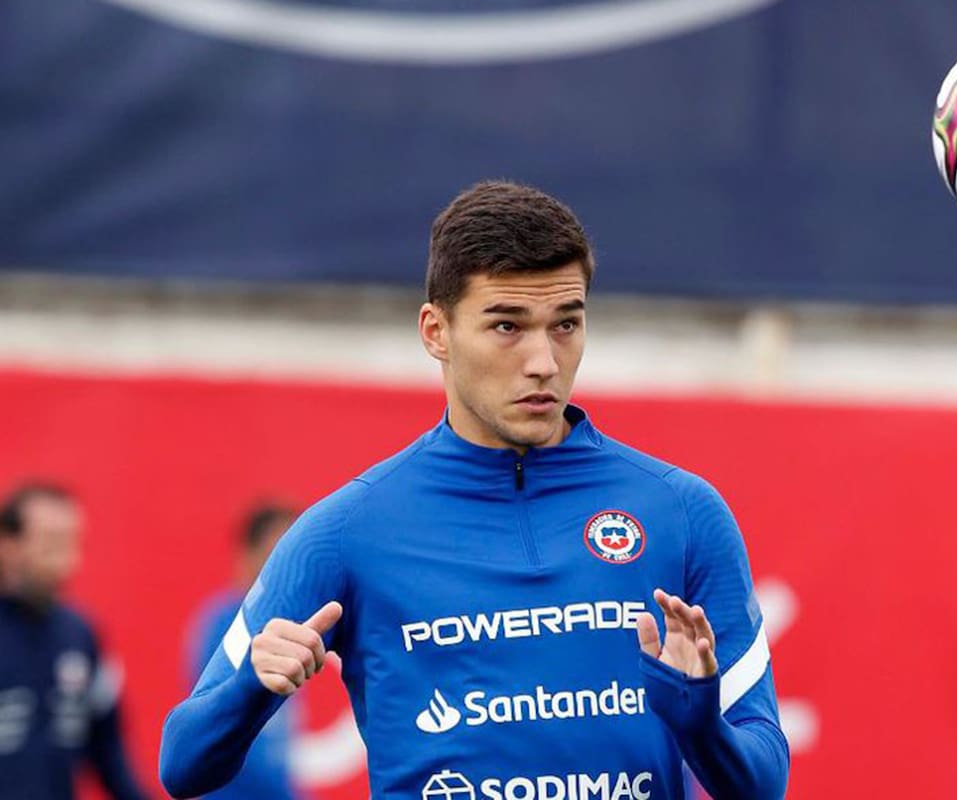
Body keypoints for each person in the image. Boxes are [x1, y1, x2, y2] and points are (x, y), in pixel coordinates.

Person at [160, 181, 789, 800]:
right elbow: (182, 765)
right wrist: (250, 691)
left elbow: (764, 782)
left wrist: (699, 723)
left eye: (565, 324)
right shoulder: (344, 532)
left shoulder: (682, 512)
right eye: (508, 326)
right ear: (436, 331)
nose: (544, 360)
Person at [0, 482, 151, 800]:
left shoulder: (79, 635)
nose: (66, 560)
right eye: (50, 543)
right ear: (8, 545)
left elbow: (109, 752)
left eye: (71, 543)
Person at [183, 503, 305, 800]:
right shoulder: (229, 627)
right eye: (276, 555)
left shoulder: (282, 626)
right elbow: (227, 728)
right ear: (248, 555)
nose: (287, 569)